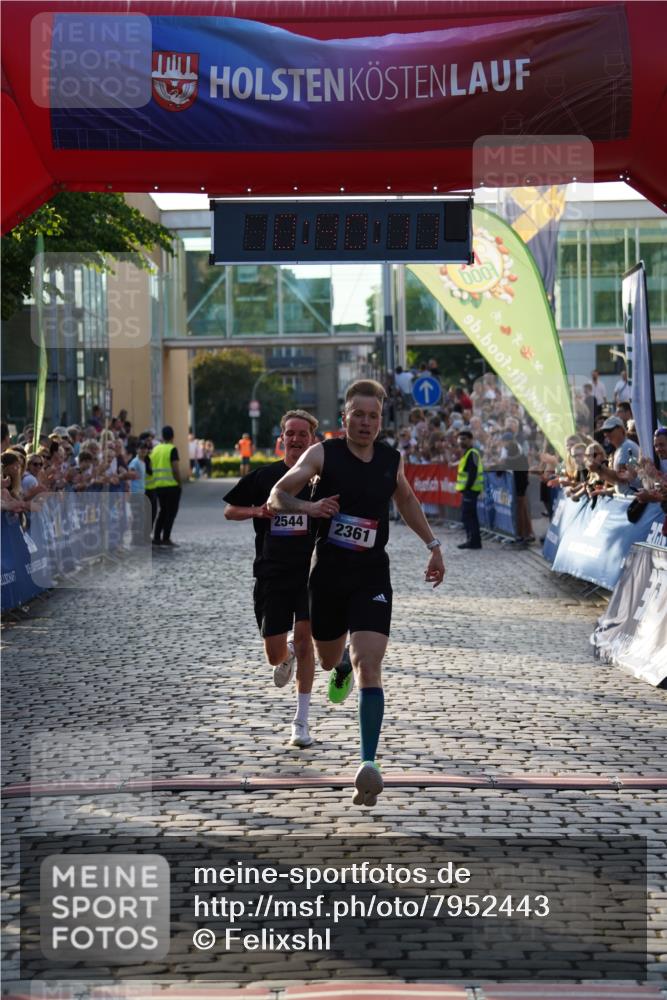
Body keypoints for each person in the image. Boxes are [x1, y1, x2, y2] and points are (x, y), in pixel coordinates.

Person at [269, 379, 446, 808]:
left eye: (373, 416)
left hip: (371, 575)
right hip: (327, 575)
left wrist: (433, 546)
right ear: (344, 417)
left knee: (371, 662)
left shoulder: (390, 460)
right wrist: (310, 507)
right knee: (329, 657)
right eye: (358, 415)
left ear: (381, 420)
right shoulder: (321, 454)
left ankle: (369, 764)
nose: (366, 422)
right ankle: (339, 666)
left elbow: (406, 501)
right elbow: (277, 497)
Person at [223, 410, 320, 748]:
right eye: (290, 434)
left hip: (310, 573)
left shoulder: (321, 479)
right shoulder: (266, 477)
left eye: (302, 435)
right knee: (274, 653)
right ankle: (287, 653)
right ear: (282, 439)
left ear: (312, 440)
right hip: (272, 571)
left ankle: (301, 721)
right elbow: (229, 509)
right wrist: (257, 511)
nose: (296, 439)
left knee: (308, 641)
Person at [588, 415, 640, 495]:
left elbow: (621, 478)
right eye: (604, 431)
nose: (606, 434)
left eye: (609, 430)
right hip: (627, 500)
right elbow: (618, 482)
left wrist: (600, 467)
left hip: (633, 500)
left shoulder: (626, 447)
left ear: (620, 429)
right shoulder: (620, 449)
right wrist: (598, 471)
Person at [150, 426, 182, 546]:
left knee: (162, 511)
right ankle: (166, 538)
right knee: (171, 513)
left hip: (158, 485)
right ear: (173, 436)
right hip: (172, 486)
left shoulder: (155, 449)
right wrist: (179, 483)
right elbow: (175, 468)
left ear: (162, 436)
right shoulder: (172, 449)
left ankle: (157, 537)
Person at [455, 430, 483, 549]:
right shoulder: (467, 453)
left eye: (464, 439)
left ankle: (473, 541)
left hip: (471, 490)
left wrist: (466, 488)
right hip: (469, 490)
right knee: (469, 516)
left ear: (471, 440)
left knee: (469, 516)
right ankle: (472, 540)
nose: (462, 441)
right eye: (460, 439)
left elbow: (472, 473)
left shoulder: (472, 453)